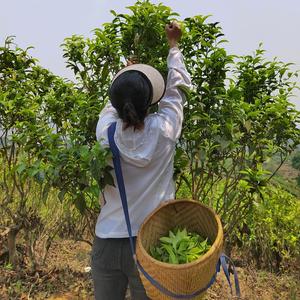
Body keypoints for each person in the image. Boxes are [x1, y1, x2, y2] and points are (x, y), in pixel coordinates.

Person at [91, 21, 191, 300]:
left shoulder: (105, 132)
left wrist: (125, 75)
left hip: (107, 242)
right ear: (150, 102)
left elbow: (111, 106)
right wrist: (174, 46)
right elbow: (176, 92)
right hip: (149, 245)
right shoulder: (165, 131)